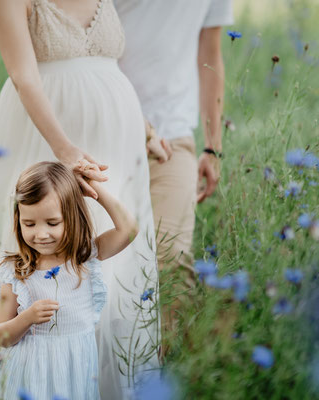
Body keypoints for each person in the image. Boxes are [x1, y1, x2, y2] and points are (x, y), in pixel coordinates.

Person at [0, 0, 160, 397]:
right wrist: (64, 150)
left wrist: (146, 130)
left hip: (115, 140)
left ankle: (103, 384)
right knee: (45, 231)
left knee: (117, 276)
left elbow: (106, 67)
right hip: (48, 132)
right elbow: (23, 75)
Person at [113, 0, 234, 348]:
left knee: (171, 263)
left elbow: (210, 54)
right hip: (107, 129)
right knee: (107, 266)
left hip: (173, 138)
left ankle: (164, 379)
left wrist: (213, 145)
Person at [0, 161, 137, 399]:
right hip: (28, 375)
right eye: (29, 223)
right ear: (18, 221)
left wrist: (93, 188)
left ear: (72, 217)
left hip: (74, 372)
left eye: (53, 223)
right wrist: (26, 318)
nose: (41, 233)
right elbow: (0, 335)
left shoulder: (84, 258)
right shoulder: (17, 270)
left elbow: (128, 229)